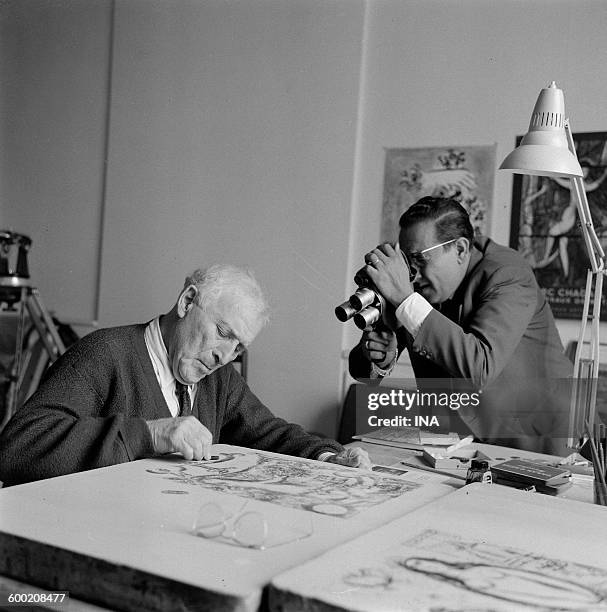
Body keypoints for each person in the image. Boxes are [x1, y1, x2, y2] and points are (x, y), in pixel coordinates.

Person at [0, 264, 370, 486]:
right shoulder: (103, 353)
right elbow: (15, 447)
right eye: (224, 333)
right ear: (187, 301)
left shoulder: (216, 376)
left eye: (239, 347)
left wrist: (327, 455)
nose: (224, 356)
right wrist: (150, 433)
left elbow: (267, 431)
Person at [349, 196, 573, 455]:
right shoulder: (423, 287)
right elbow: (363, 372)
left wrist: (404, 298)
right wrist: (381, 357)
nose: (415, 274)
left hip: (534, 441)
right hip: (457, 442)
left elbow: (480, 367)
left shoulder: (508, 275)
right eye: (409, 263)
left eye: (421, 260)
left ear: (460, 249)